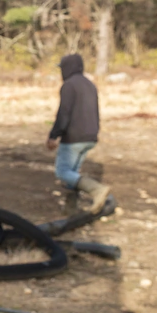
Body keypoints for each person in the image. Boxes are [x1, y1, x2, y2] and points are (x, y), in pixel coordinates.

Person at [46, 52, 111, 213]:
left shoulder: (69, 85)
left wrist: (54, 135)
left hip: (74, 137)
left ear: (67, 68)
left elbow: (64, 113)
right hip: (90, 136)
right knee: (73, 174)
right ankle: (71, 209)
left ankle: (96, 189)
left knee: (63, 172)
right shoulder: (90, 84)